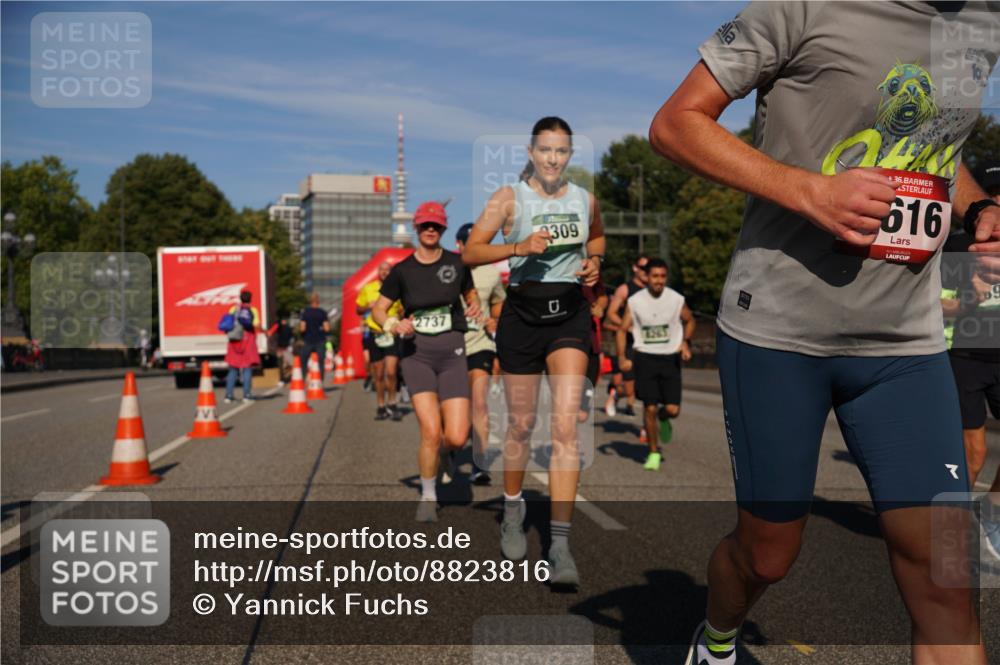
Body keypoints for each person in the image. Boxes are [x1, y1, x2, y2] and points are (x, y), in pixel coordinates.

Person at [649, 4, 999, 664]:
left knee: (948, 585)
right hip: (780, 331)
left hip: (907, 342)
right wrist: (809, 192)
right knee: (768, 553)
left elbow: (933, 145)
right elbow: (674, 126)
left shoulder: (986, 19)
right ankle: (717, 638)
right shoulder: (806, 6)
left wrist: (975, 207)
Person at [463, 116, 605, 588]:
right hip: (522, 316)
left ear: (569, 156)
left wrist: (595, 263)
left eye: (561, 151)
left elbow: (599, 238)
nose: (553, 158)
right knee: (522, 424)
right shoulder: (508, 198)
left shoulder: (585, 200)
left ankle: (560, 546)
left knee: (565, 426)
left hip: (568, 314)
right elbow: (470, 253)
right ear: (530, 152)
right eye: (545, 150)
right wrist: (518, 246)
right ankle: (511, 509)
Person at [372, 201, 481, 522]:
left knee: (458, 436)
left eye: (436, 225)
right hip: (417, 354)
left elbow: (470, 295)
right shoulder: (402, 271)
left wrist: (473, 307)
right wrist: (394, 324)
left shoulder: (458, 264)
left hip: (453, 354)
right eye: (425, 225)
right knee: (431, 432)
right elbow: (379, 309)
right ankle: (429, 495)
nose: (430, 230)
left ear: (444, 229)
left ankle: (447, 457)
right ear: (417, 229)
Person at [941, 160, 1000, 562]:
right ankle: (953, 533)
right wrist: (967, 299)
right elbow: (932, 302)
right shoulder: (957, 244)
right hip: (964, 356)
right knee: (973, 452)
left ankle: (991, 514)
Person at [616, 258, 694, 470]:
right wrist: (622, 357)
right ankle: (653, 452)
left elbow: (690, 320)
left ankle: (663, 417)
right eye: (655, 276)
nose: (659, 281)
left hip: (670, 359)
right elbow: (622, 330)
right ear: (647, 277)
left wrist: (685, 342)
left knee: (673, 409)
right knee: (649, 407)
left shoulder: (676, 299)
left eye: (662, 276)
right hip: (646, 358)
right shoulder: (635, 301)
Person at [456, 222, 508, 485]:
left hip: (481, 344)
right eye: (471, 243)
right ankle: (450, 448)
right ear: (460, 246)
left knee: (479, 403)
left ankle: (479, 463)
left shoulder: (491, 273)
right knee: (456, 410)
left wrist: (495, 320)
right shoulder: (448, 270)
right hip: (450, 346)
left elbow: (499, 303)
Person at [357, 261, 405, 421]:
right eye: (382, 269)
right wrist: (367, 306)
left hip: (391, 334)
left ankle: (393, 403)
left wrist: (401, 312)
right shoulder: (368, 288)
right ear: (378, 271)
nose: (384, 272)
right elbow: (358, 309)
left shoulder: (397, 287)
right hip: (375, 334)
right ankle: (381, 405)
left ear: (390, 272)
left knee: (391, 372)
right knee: (378, 374)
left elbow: (403, 309)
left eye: (387, 270)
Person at [605, 254, 649, 418]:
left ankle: (647, 427)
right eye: (643, 268)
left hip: (648, 343)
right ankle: (616, 392)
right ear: (635, 268)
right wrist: (628, 326)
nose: (646, 271)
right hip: (629, 342)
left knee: (646, 386)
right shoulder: (625, 289)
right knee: (630, 389)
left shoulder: (653, 288)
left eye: (648, 268)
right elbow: (611, 313)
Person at [579, 274, 608, 422]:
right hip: (565, 334)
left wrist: (598, 306)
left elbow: (602, 296)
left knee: (591, 376)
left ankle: (583, 403)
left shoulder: (590, 269)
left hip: (590, 337)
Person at [224, 290, 261, 403]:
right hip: (248, 340)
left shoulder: (233, 309)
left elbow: (229, 323)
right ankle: (247, 395)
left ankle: (229, 396)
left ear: (240, 298)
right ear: (250, 298)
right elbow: (256, 324)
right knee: (247, 368)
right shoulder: (253, 310)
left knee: (233, 368)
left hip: (234, 340)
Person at [299, 293, 330, 380]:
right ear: (318, 301)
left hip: (308, 340)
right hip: (320, 340)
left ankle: (304, 377)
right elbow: (327, 328)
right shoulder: (322, 313)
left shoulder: (305, 312)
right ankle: (320, 380)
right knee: (320, 361)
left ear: (310, 301)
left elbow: (302, 328)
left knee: (304, 359)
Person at [274, 316, 294, 386]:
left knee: (281, 365)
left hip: (280, 348)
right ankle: (291, 377)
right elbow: (291, 337)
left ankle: (281, 380)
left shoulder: (279, 328)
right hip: (287, 348)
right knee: (291, 364)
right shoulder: (288, 328)